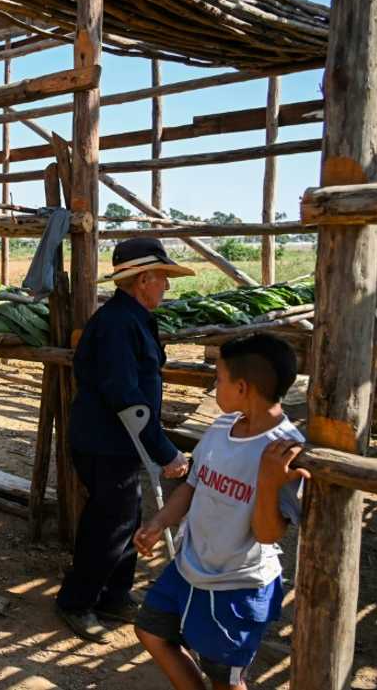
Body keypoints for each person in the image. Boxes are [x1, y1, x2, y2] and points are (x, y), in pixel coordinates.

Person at [133, 333, 306, 690]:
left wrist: (270, 483)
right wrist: (159, 521)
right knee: (150, 630)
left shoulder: (285, 451)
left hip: (236, 587)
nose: (216, 386)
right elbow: (193, 488)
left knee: (225, 679)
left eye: (220, 379)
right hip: (189, 568)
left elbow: (269, 535)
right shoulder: (221, 427)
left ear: (242, 388)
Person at [55, 237, 193, 642]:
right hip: (106, 442)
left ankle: (113, 595)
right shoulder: (117, 323)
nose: (167, 286)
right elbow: (125, 397)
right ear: (144, 279)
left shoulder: (132, 317)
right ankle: (75, 603)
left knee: (125, 515)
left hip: (120, 442)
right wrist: (164, 451)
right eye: (163, 278)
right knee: (110, 524)